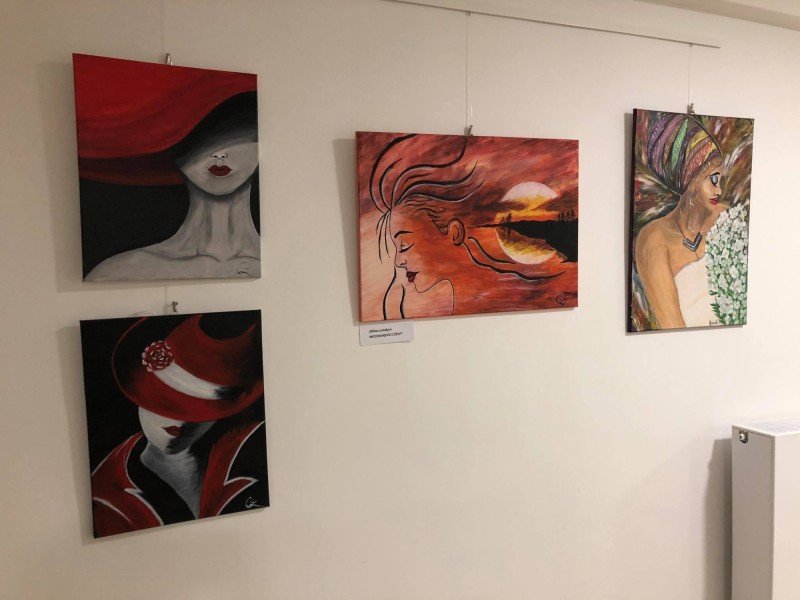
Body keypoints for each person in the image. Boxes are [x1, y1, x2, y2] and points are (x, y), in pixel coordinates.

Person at [74, 54, 260, 281]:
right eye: (199, 137)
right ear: (170, 144)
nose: (219, 154)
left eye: (239, 128)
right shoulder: (118, 272)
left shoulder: (286, 266)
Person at [90, 312, 268, 538]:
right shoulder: (105, 496)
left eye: (200, 410)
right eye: (165, 403)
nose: (180, 420)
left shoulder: (249, 453)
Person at [367, 134, 566, 319]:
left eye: (404, 245)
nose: (398, 261)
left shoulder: (496, 301)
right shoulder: (475, 304)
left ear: (455, 233)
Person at [633, 113, 726, 329]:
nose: (719, 190)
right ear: (691, 180)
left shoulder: (724, 217)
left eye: (720, 179)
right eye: (713, 179)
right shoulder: (653, 240)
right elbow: (671, 325)